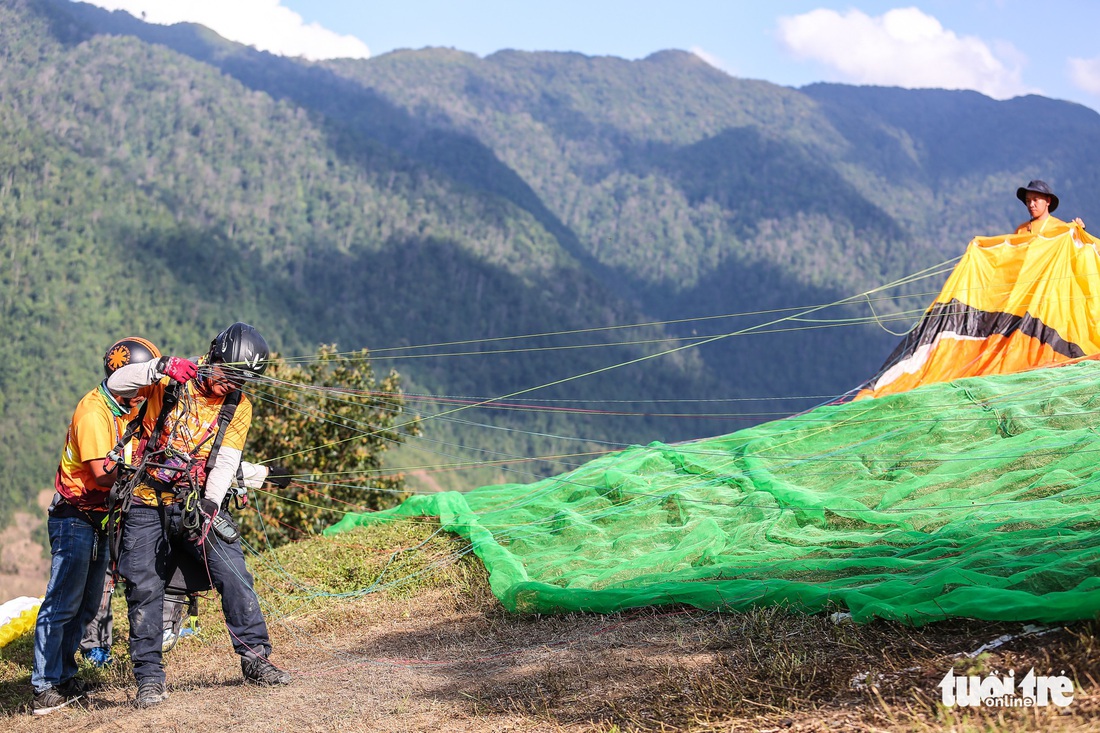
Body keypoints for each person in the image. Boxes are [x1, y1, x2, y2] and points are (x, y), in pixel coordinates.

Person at [107, 322, 291, 708]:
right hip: (145, 499)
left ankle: (255, 659)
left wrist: (210, 504)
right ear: (213, 357)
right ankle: (149, 680)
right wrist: (160, 367)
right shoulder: (171, 379)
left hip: (195, 502)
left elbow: (226, 461)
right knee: (144, 588)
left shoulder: (238, 406)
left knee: (234, 574)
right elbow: (117, 383)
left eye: (242, 380)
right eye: (229, 375)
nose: (231, 385)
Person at [30, 337, 160, 715]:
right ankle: (44, 686)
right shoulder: (93, 412)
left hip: (100, 517)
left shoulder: (122, 409)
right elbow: (103, 475)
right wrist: (147, 472)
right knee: (62, 602)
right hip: (75, 516)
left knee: (86, 604)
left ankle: (64, 675)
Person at [1014, 179, 1085, 234]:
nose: (1031, 205)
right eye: (1028, 201)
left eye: (1035, 200)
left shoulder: (1060, 228)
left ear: (1048, 201)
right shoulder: (1020, 230)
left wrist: (1080, 232)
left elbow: (1077, 249)